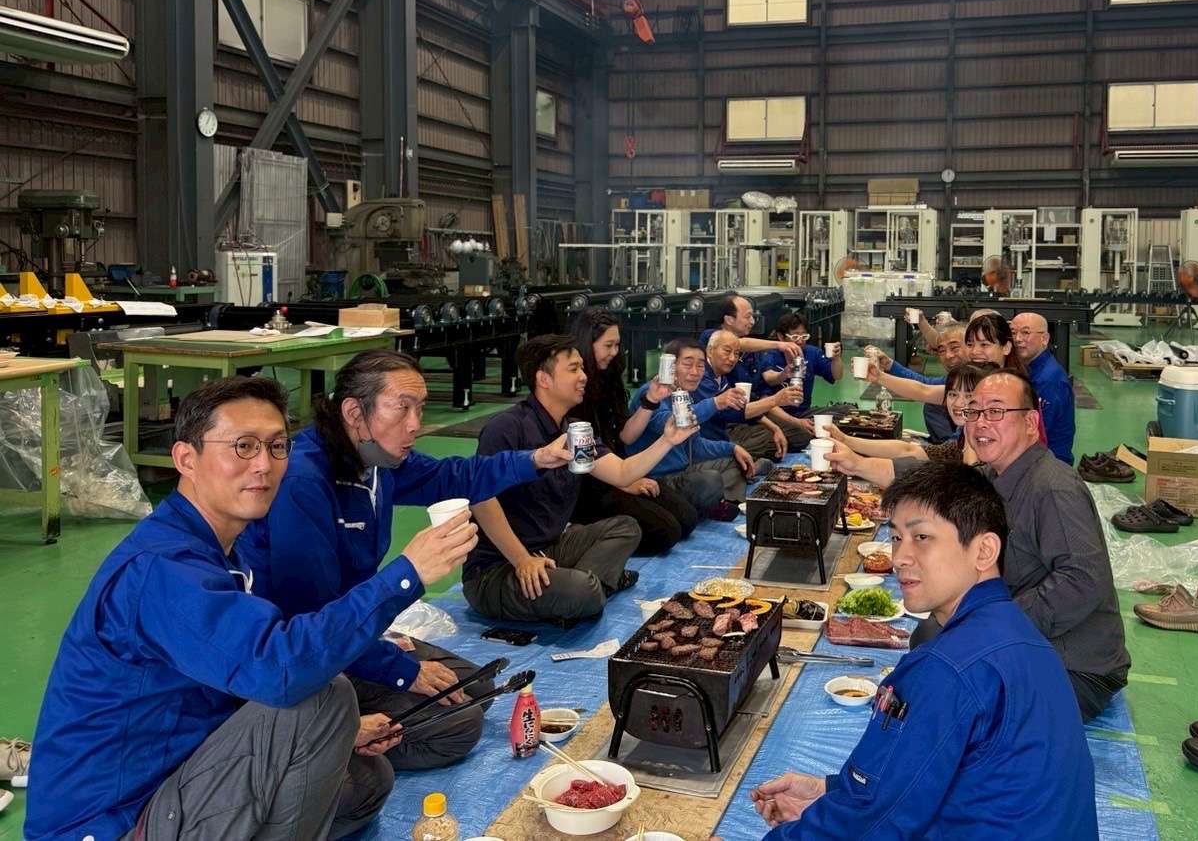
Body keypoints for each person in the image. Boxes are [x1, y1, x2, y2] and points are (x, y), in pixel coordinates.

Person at [26, 376, 481, 841]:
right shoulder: (163, 569)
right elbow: (278, 668)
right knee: (324, 699)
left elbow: (231, 677)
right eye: (243, 446)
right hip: (116, 822)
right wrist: (407, 574)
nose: (264, 465)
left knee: (364, 779)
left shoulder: (221, 549)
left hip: (174, 772)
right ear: (186, 459)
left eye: (277, 446)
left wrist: (344, 731)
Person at [236, 350, 568, 778]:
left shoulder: (377, 461)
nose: (416, 424)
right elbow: (313, 620)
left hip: (356, 625)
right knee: (459, 725)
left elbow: (453, 476)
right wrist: (399, 668)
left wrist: (536, 459)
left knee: (478, 686)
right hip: (309, 652)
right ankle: (319, 745)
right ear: (354, 413)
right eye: (403, 408)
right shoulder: (302, 482)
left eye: (421, 408)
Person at [750, 462, 1097, 840]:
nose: (900, 557)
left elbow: (870, 824)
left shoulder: (947, 669)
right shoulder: (1021, 634)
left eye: (922, 537)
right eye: (896, 537)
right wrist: (830, 792)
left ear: (984, 551)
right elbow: (927, 778)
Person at [918, 369, 1128, 721]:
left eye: (996, 411)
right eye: (974, 411)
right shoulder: (994, 475)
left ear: (1031, 423)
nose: (981, 423)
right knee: (928, 639)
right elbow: (941, 491)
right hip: (1028, 638)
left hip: (1075, 666)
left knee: (951, 693)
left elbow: (1083, 578)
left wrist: (997, 623)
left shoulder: (1053, 489)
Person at [466, 335, 699, 624]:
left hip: (549, 549)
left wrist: (667, 440)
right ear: (543, 379)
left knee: (626, 527)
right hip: (498, 567)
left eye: (582, 368)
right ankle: (590, 589)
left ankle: (585, 589)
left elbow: (622, 473)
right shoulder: (507, 427)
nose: (584, 376)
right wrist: (521, 559)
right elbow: (481, 499)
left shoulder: (574, 430)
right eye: (573, 369)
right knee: (583, 591)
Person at [565, 309, 718, 550]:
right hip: (593, 482)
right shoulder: (573, 395)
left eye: (617, 345)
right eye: (608, 345)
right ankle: (586, 534)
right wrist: (622, 481)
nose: (614, 352)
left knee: (687, 519)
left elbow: (625, 436)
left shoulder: (610, 378)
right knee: (667, 531)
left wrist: (651, 401)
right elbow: (582, 460)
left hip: (618, 469)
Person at [627, 336, 771, 509]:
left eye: (701, 365)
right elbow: (670, 424)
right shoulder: (650, 393)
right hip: (655, 479)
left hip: (684, 470)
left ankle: (725, 503)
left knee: (732, 461)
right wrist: (716, 402)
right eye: (688, 364)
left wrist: (732, 448)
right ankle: (718, 502)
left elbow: (695, 446)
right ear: (670, 365)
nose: (695, 372)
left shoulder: (684, 393)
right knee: (709, 480)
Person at [823, 364, 990, 487]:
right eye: (953, 394)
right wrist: (846, 440)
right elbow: (909, 451)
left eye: (968, 396)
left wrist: (858, 464)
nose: (959, 403)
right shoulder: (960, 438)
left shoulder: (985, 443)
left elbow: (972, 487)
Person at [697, 328, 806, 460]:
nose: (732, 358)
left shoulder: (721, 376)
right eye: (727, 351)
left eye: (736, 353)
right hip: (707, 441)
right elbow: (731, 412)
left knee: (792, 434)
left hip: (729, 429)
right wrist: (776, 400)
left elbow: (740, 407)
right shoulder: (701, 375)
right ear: (709, 351)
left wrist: (775, 428)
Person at [872, 317, 968, 442]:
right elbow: (924, 384)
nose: (948, 355)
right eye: (942, 350)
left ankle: (944, 445)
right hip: (954, 445)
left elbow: (924, 391)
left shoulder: (980, 380)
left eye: (955, 348)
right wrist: (889, 364)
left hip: (961, 448)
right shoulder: (956, 378)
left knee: (933, 404)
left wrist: (878, 376)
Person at [756, 311, 844, 447]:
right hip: (779, 417)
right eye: (795, 336)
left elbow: (836, 375)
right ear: (781, 337)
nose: (800, 340)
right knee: (804, 434)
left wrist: (836, 358)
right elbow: (768, 382)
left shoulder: (812, 353)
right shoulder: (770, 356)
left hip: (804, 413)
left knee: (846, 414)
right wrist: (784, 374)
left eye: (804, 336)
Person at [1009, 311, 1076, 465]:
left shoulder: (1049, 380)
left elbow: (1039, 432)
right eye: (1013, 333)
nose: (1017, 339)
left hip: (1050, 461)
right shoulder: (1031, 369)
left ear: (1044, 339)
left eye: (1025, 333)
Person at [699, 292, 801, 389]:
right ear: (729, 320)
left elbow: (769, 377)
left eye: (752, 316)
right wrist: (780, 345)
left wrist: (784, 373)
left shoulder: (755, 347)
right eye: (747, 317)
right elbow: (736, 343)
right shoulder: (711, 336)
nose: (752, 321)